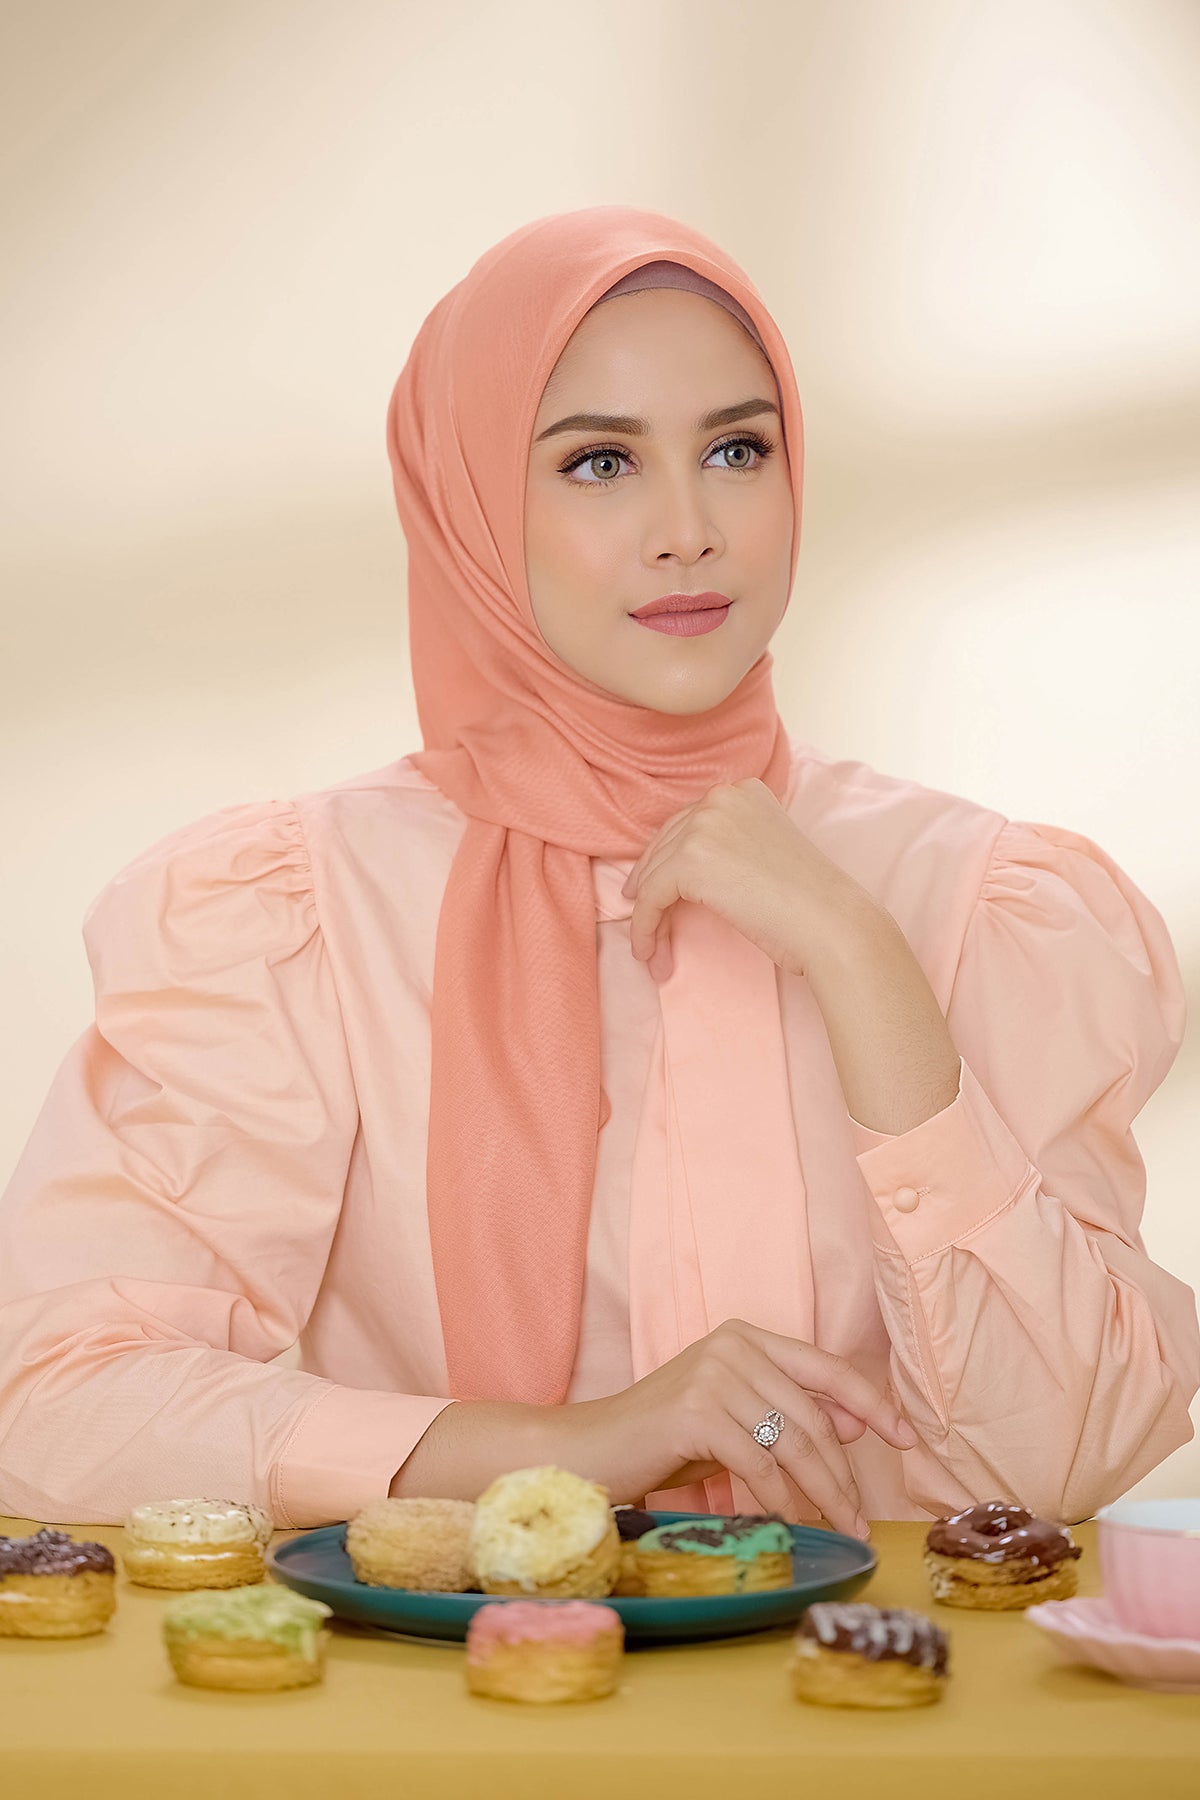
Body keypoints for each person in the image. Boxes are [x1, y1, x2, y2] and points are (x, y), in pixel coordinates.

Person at [0, 206, 1195, 1537]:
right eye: (599, 463)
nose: (688, 529)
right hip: (449, 1666)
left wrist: (864, 965)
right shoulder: (303, 913)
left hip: (889, 1668)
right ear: (469, 502)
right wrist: (571, 1446)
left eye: (737, 449)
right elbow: (53, 1405)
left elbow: (1062, 1462)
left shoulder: (980, 898)